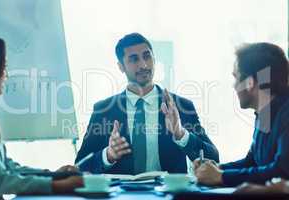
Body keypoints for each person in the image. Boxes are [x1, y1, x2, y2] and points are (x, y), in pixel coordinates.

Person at [75, 32, 219, 174]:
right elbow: (79, 167)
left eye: (147, 56)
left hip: (168, 194)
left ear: (154, 59)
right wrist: (108, 155)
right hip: (121, 195)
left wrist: (181, 134)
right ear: (121, 67)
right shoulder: (103, 110)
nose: (143, 65)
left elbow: (213, 158)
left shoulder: (181, 106)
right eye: (133, 59)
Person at [0, 34, 83, 200]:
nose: (6, 75)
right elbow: (0, 180)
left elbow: (8, 168)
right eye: (3, 67)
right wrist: (57, 185)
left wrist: (54, 176)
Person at [194, 42, 289, 187]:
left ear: (250, 82)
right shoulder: (265, 114)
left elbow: (282, 171)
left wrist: (222, 177)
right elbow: (252, 162)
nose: (234, 86)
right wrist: (217, 169)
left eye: (236, 77)